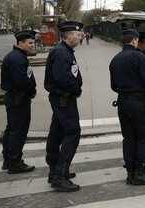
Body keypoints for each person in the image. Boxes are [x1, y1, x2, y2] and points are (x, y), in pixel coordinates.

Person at [110, 29, 145, 185]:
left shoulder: (115, 59)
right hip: (139, 103)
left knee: (129, 137)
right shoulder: (140, 58)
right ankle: (140, 171)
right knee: (144, 137)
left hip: (123, 102)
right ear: (134, 40)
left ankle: (130, 172)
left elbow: (113, 85)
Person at [44, 21, 83, 192]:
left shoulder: (63, 51)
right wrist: (75, 90)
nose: (80, 37)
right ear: (69, 36)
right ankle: (60, 175)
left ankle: (55, 171)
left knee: (57, 133)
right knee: (73, 133)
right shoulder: (61, 53)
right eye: (78, 35)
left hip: (62, 99)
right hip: (64, 99)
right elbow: (62, 78)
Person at [0, 30, 37, 174]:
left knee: (12, 128)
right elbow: (21, 80)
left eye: (33, 42)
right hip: (18, 99)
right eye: (30, 43)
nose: (33, 45)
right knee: (18, 130)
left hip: (15, 98)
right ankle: (15, 162)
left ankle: (8, 160)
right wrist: (32, 90)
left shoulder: (17, 56)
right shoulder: (16, 58)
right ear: (20, 43)